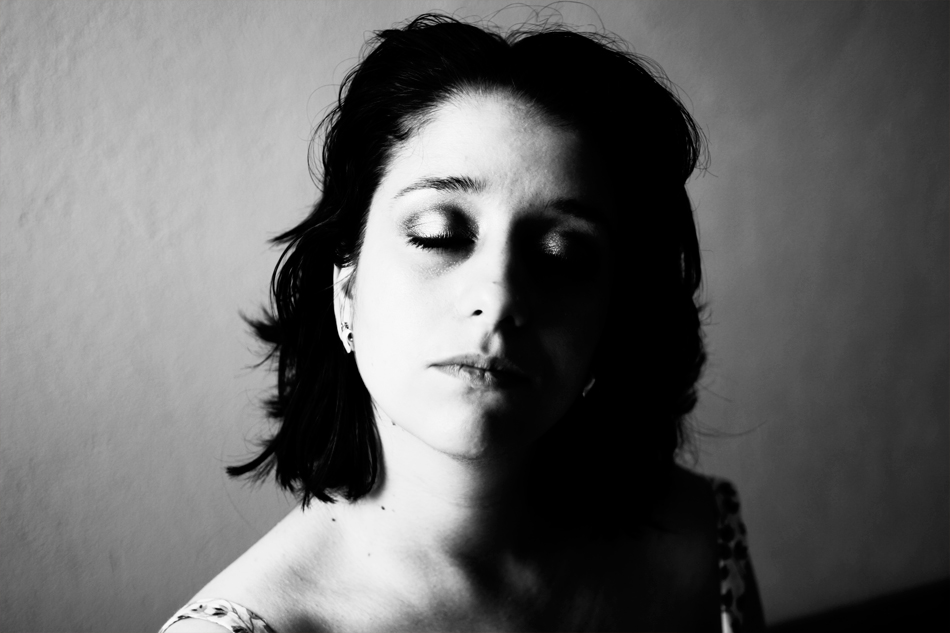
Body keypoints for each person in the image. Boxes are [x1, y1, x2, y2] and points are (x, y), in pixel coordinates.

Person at [161, 13, 764, 633]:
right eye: (438, 235)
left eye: (561, 255)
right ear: (346, 291)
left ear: (613, 316)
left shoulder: (701, 537)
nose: (498, 297)